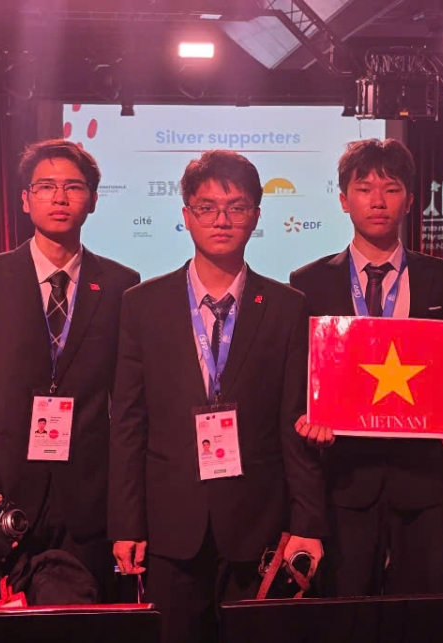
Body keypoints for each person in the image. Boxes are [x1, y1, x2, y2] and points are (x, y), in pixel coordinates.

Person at [109, 150, 326, 643]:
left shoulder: (287, 307)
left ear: (256, 216)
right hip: (169, 523)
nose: (221, 220)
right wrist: (126, 523)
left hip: (259, 521)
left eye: (236, 207)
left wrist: (308, 521)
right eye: (207, 207)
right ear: (186, 215)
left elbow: (293, 422)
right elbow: (128, 422)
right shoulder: (142, 305)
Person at [289, 138, 443, 598]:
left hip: (426, 483)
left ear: (410, 200)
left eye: (391, 189)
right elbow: (300, 380)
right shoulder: (307, 283)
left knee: (425, 612)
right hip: (345, 482)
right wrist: (308, 420)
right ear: (343, 200)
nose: (378, 201)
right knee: (346, 616)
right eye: (364, 189)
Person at [0, 140, 140, 599]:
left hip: (89, 501)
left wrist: (124, 510)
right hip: (5, 500)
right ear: (25, 199)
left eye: (73, 187)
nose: (59, 197)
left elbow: (128, 407)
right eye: (46, 186)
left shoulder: (122, 284)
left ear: (93, 200)